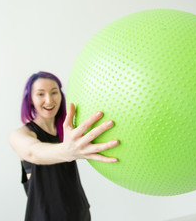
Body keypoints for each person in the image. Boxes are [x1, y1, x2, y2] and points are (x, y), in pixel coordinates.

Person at [9, 71, 119, 221]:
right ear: (30, 100)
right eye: (41, 94)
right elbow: (32, 152)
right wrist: (67, 151)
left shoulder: (69, 131)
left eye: (54, 92)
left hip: (79, 213)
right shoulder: (20, 135)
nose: (49, 100)